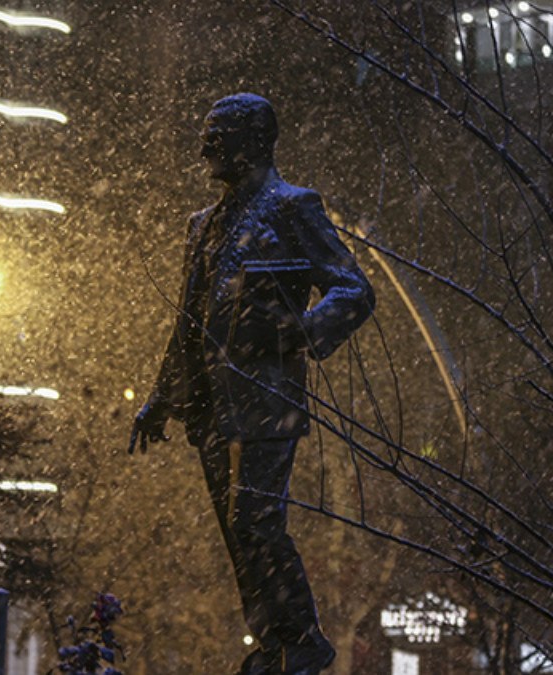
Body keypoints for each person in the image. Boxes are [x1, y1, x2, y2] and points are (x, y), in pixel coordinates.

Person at [129, 93, 375, 675]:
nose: (204, 146)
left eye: (218, 134)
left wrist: (300, 332)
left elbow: (354, 290)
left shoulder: (293, 208)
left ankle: (303, 640)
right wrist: (161, 398)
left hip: (267, 398)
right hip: (211, 404)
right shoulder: (203, 224)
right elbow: (187, 320)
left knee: (255, 522)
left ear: (255, 141)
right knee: (236, 534)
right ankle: (273, 645)